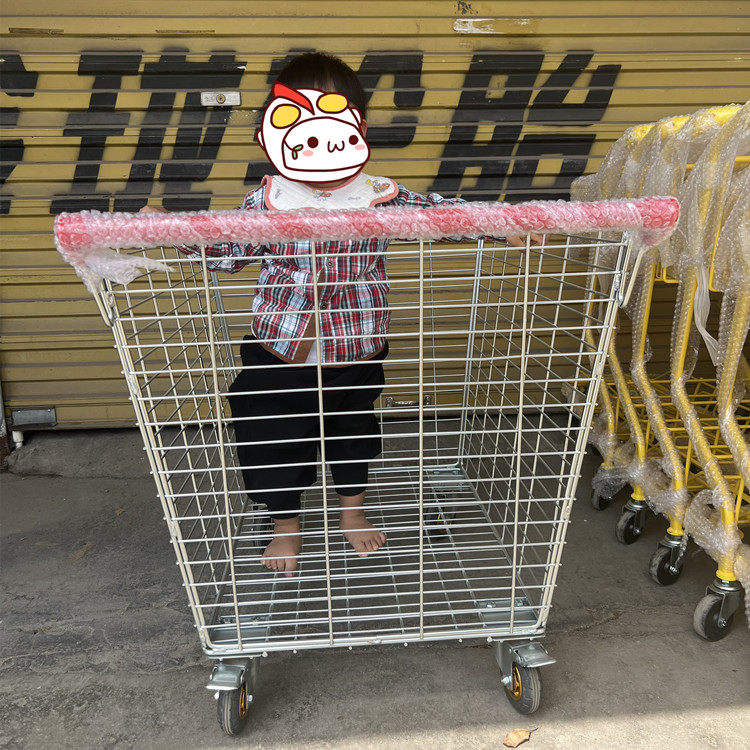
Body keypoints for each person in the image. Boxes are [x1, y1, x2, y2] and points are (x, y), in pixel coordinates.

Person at [141, 51, 530, 577]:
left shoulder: (378, 196)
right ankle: (285, 524)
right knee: (271, 435)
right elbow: (228, 248)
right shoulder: (270, 199)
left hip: (356, 344)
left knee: (354, 430)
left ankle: (352, 510)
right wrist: (171, 230)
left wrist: (497, 221)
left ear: (357, 127)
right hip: (280, 348)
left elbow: (438, 216)